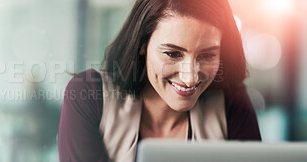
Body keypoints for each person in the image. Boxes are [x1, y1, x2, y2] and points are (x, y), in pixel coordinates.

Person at [58, 0, 262, 161]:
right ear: (142, 45)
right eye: (172, 54)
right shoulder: (90, 94)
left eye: (207, 56)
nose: (190, 77)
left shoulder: (232, 103)